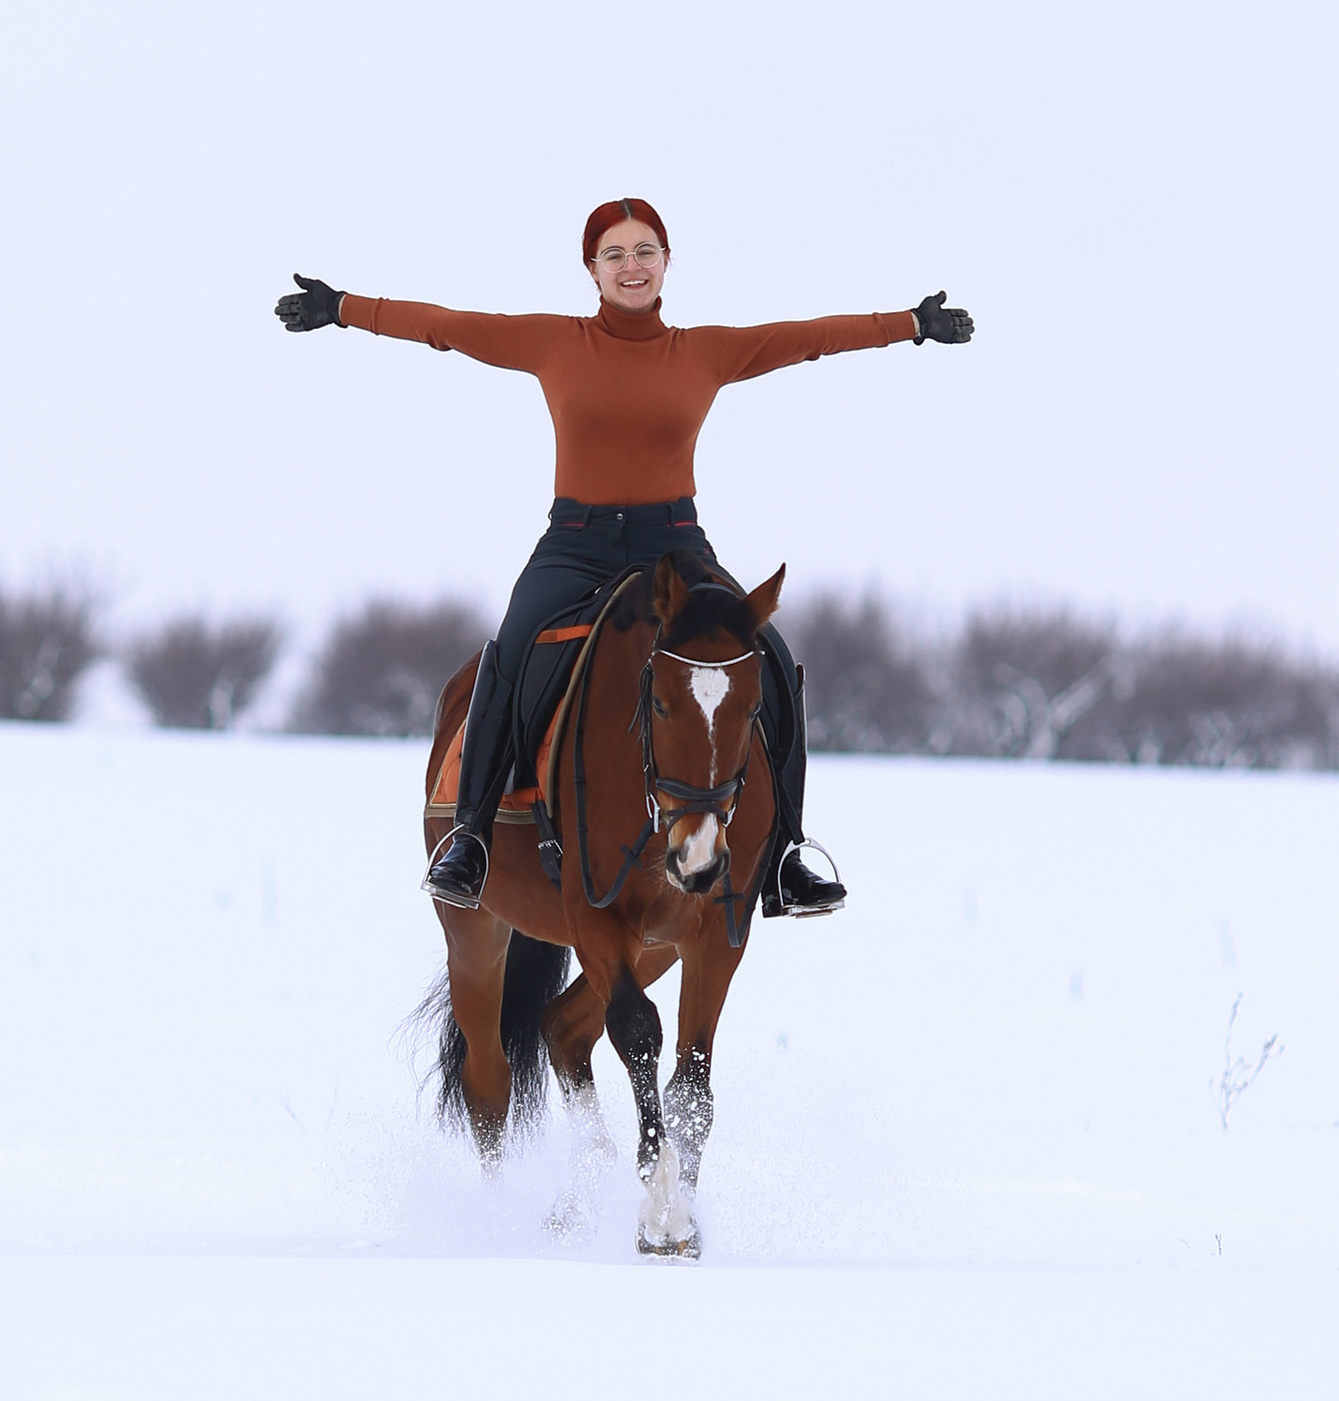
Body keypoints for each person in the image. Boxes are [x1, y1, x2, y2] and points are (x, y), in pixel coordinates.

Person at [276, 199, 973, 913]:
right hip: (575, 545)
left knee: (766, 655)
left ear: (667, 262)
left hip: (674, 547)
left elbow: (811, 338)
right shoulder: (556, 343)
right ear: (592, 270)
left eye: (644, 251)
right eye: (615, 254)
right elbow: (445, 328)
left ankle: (786, 855)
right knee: (511, 650)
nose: (631, 266)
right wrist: (342, 308)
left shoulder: (704, 351)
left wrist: (911, 325)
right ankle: (472, 838)